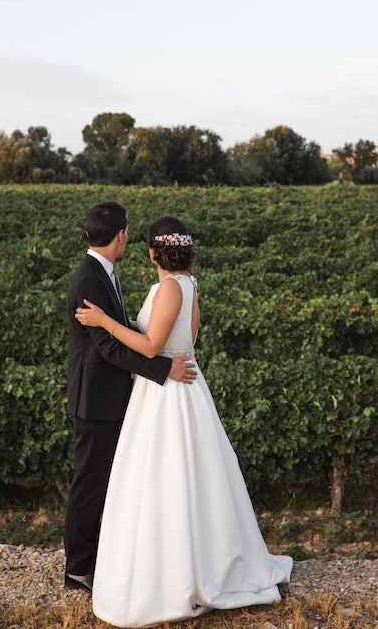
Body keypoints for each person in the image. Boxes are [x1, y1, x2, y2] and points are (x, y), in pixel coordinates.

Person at [75, 215, 292, 627]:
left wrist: (104, 322)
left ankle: (176, 574)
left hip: (167, 395)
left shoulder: (171, 287)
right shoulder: (188, 283)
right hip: (176, 384)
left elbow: (153, 344)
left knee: (166, 479)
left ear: (155, 250)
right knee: (188, 478)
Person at [64, 203, 197, 595]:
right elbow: (106, 347)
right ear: (120, 234)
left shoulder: (103, 272)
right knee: (90, 482)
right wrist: (162, 369)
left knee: (112, 479)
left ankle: (104, 557)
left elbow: (125, 331)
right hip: (96, 398)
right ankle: (78, 568)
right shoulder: (90, 278)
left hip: (112, 394)